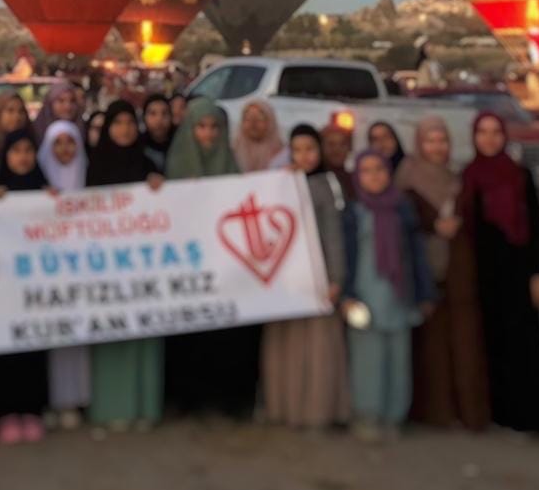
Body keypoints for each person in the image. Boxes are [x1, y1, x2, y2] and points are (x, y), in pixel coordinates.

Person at [164, 99, 259, 417]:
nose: (207, 134)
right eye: (201, 126)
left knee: (225, 333)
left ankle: (227, 399)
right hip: (186, 267)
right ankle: (187, 398)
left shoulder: (231, 168)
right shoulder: (174, 167)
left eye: (214, 127)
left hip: (224, 267)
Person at [461, 111, 539, 435]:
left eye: (495, 132)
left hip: (517, 271)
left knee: (522, 344)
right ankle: (498, 412)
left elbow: (536, 227)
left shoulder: (519, 176)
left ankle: (528, 417)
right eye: (482, 132)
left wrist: (538, 273)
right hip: (483, 274)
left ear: (504, 136)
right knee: (491, 343)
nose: (488, 139)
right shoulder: (468, 176)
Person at [396, 116, 489, 431]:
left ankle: (465, 410)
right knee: (430, 344)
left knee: (461, 340)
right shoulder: (407, 178)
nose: (437, 147)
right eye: (430, 141)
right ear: (419, 144)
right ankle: (434, 411)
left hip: (456, 271)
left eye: (442, 141)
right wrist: (431, 226)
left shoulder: (456, 179)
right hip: (423, 270)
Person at [342, 149, 435, 442]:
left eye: (379, 169)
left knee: (398, 358)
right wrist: (345, 295)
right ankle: (368, 415)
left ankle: (393, 416)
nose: (374, 176)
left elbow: (417, 253)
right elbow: (345, 257)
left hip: (399, 295)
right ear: (358, 176)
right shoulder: (353, 213)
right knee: (367, 359)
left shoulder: (402, 208)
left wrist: (425, 292)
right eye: (366, 170)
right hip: (365, 296)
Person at [261, 124, 349, 430]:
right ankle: (284, 407)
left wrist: (336, 278)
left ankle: (317, 411)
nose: (304, 156)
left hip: (318, 278)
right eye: (297, 150)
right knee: (287, 344)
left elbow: (334, 235)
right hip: (286, 281)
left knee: (318, 347)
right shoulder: (282, 183)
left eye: (310, 149)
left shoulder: (327, 184)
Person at [86, 103, 166, 434]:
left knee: (143, 331)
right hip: (107, 265)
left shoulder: (146, 164)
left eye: (129, 123)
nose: (124, 129)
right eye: (117, 123)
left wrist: (160, 187)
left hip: (144, 266)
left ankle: (144, 405)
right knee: (112, 331)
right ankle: (111, 408)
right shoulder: (96, 166)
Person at [0, 129, 50, 444]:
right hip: (3, 285)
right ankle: (7, 413)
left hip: (35, 284)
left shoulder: (45, 190)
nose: (23, 157)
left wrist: (55, 201)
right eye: (16, 151)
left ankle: (32, 410)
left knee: (34, 345)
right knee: (6, 346)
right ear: (6, 156)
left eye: (29, 150)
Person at [39, 119, 93, 429]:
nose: (65, 149)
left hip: (85, 267)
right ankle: (56, 400)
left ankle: (79, 398)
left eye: (70, 142)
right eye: (57, 143)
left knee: (80, 332)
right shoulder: (38, 182)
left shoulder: (90, 176)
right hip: (49, 269)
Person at [233, 99, 287, 171]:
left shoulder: (283, 153)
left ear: (270, 123)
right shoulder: (232, 151)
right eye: (248, 119)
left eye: (259, 119)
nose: (253, 124)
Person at [140, 93, 175, 174]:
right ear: (144, 117)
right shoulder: (138, 146)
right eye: (153, 113)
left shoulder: (179, 142)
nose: (159, 119)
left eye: (164, 113)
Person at [322, 123, 357, 200]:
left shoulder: (357, 181)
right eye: (331, 144)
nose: (337, 149)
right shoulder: (313, 179)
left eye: (343, 144)